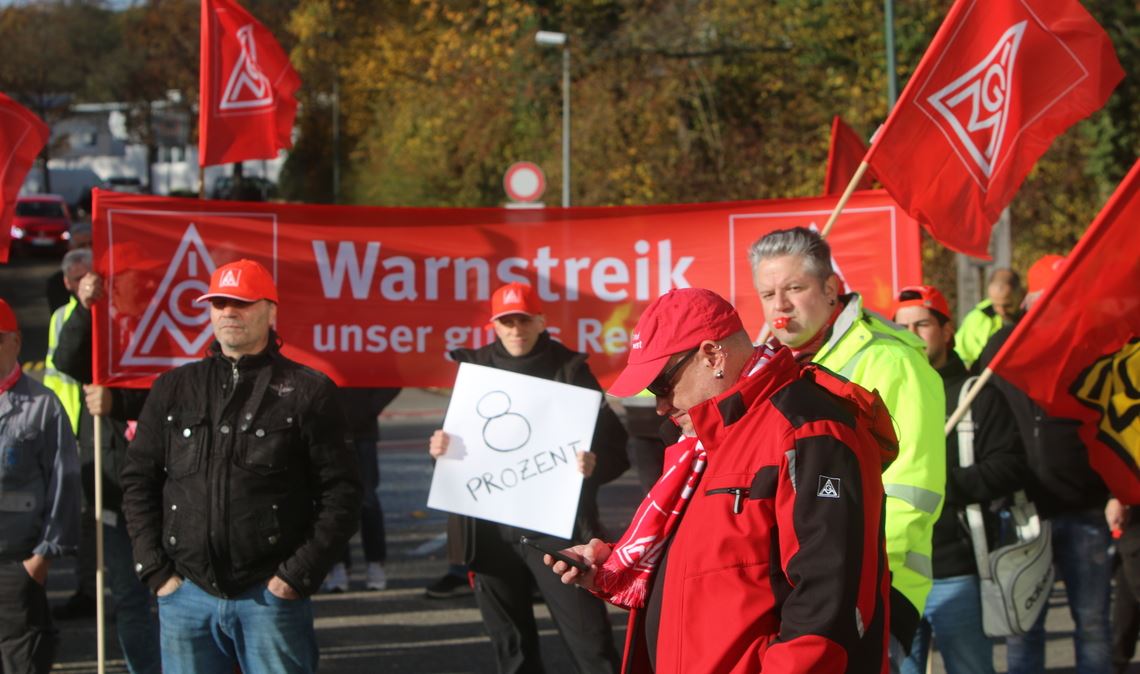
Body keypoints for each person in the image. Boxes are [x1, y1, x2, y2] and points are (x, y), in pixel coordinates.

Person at [546, 287, 897, 673]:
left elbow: (829, 601)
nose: (660, 405)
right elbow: (716, 564)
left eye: (662, 385)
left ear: (712, 355)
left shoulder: (808, 429)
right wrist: (612, 565)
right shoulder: (705, 438)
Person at [120, 259, 362, 673]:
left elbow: (342, 493)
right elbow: (138, 481)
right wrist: (157, 573)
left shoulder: (309, 392)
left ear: (271, 311)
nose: (228, 312)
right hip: (184, 596)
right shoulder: (173, 389)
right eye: (219, 302)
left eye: (242, 303)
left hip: (270, 598)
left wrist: (297, 576)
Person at [748, 227, 946, 668]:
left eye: (794, 288)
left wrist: (875, 592)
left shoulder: (893, 362)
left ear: (831, 288)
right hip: (793, 597)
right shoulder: (766, 371)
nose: (780, 306)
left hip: (874, 594)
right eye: (767, 294)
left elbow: (914, 491)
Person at [428, 281, 628, 673]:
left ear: (541, 321)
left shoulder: (571, 371)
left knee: (591, 645)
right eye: (506, 321)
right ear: (494, 326)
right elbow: (456, 446)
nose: (515, 329)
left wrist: (595, 465)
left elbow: (617, 448)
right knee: (512, 649)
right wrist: (439, 448)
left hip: (558, 531)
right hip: (488, 533)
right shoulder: (474, 369)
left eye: (523, 320)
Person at [978, 254, 1111, 674]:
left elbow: (1114, 423)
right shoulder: (1001, 349)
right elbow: (981, 419)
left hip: (1087, 509)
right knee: (1023, 627)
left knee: (1092, 624)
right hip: (1022, 512)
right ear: (1031, 300)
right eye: (1050, 297)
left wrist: (1115, 493)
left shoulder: (1093, 347)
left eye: (1066, 297)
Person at [893, 285, 1027, 674]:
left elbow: (1011, 466)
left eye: (922, 324)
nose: (912, 334)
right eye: (902, 327)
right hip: (897, 573)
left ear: (947, 331)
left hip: (957, 572)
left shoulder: (978, 394)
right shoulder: (886, 391)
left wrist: (939, 485)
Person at [52, 266, 162, 673]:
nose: (134, 292)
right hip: (115, 489)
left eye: (143, 285)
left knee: (179, 597)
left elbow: (178, 396)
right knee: (130, 598)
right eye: (123, 286)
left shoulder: (171, 334)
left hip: (175, 492)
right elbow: (65, 359)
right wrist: (84, 307)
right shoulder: (104, 332)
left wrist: (119, 403)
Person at [0, 298, 81, 673]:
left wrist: (42, 558)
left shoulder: (43, 406)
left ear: (16, 342)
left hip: (18, 565)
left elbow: (64, 485)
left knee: (23, 662)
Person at [42, 247, 97, 622]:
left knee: (99, 515)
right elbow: (61, 369)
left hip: (97, 427)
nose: (85, 285)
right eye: (77, 279)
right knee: (77, 516)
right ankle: (85, 588)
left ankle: (94, 587)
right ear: (66, 283)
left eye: (89, 276)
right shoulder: (64, 317)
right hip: (68, 429)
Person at [325, 386, 402, 592]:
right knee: (332, 500)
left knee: (367, 499)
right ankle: (339, 565)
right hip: (327, 429)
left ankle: (375, 563)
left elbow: (393, 378)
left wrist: (367, 409)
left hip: (362, 431)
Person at [954, 268, 1024, 369]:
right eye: (996, 305)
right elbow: (962, 356)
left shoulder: (1034, 314)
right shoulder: (977, 318)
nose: (1001, 311)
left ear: (1020, 294)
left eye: (1008, 305)